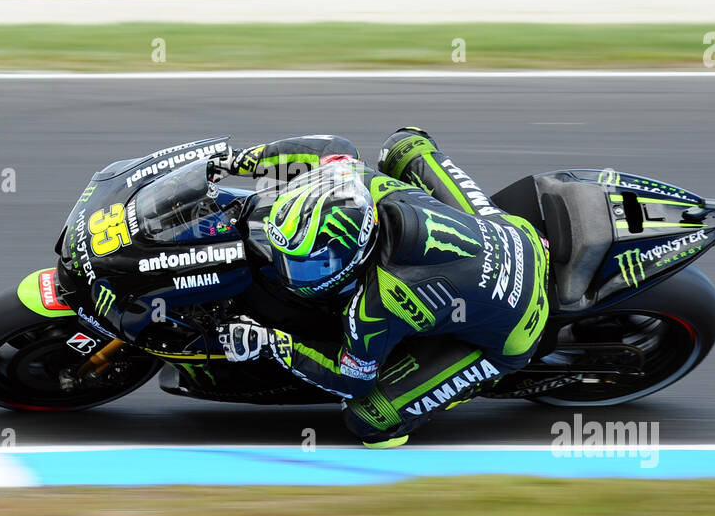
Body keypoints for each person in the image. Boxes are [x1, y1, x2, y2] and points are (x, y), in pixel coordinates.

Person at [215, 129, 549, 447]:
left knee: (369, 419)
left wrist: (276, 345)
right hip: (511, 231)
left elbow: (352, 379)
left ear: (353, 250)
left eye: (312, 264)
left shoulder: (379, 301)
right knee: (404, 144)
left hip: (519, 325)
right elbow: (331, 146)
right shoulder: (358, 181)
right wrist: (240, 161)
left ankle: (480, 379)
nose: (291, 272)